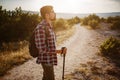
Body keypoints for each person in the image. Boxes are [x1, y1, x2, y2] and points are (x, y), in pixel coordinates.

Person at [35, 5, 67, 80]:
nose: (54, 13)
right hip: (46, 61)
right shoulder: (41, 28)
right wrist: (59, 51)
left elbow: (50, 44)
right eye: (52, 11)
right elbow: (42, 49)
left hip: (50, 59)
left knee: (45, 78)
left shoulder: (49, 26)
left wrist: (60, 50)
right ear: (47, 15)